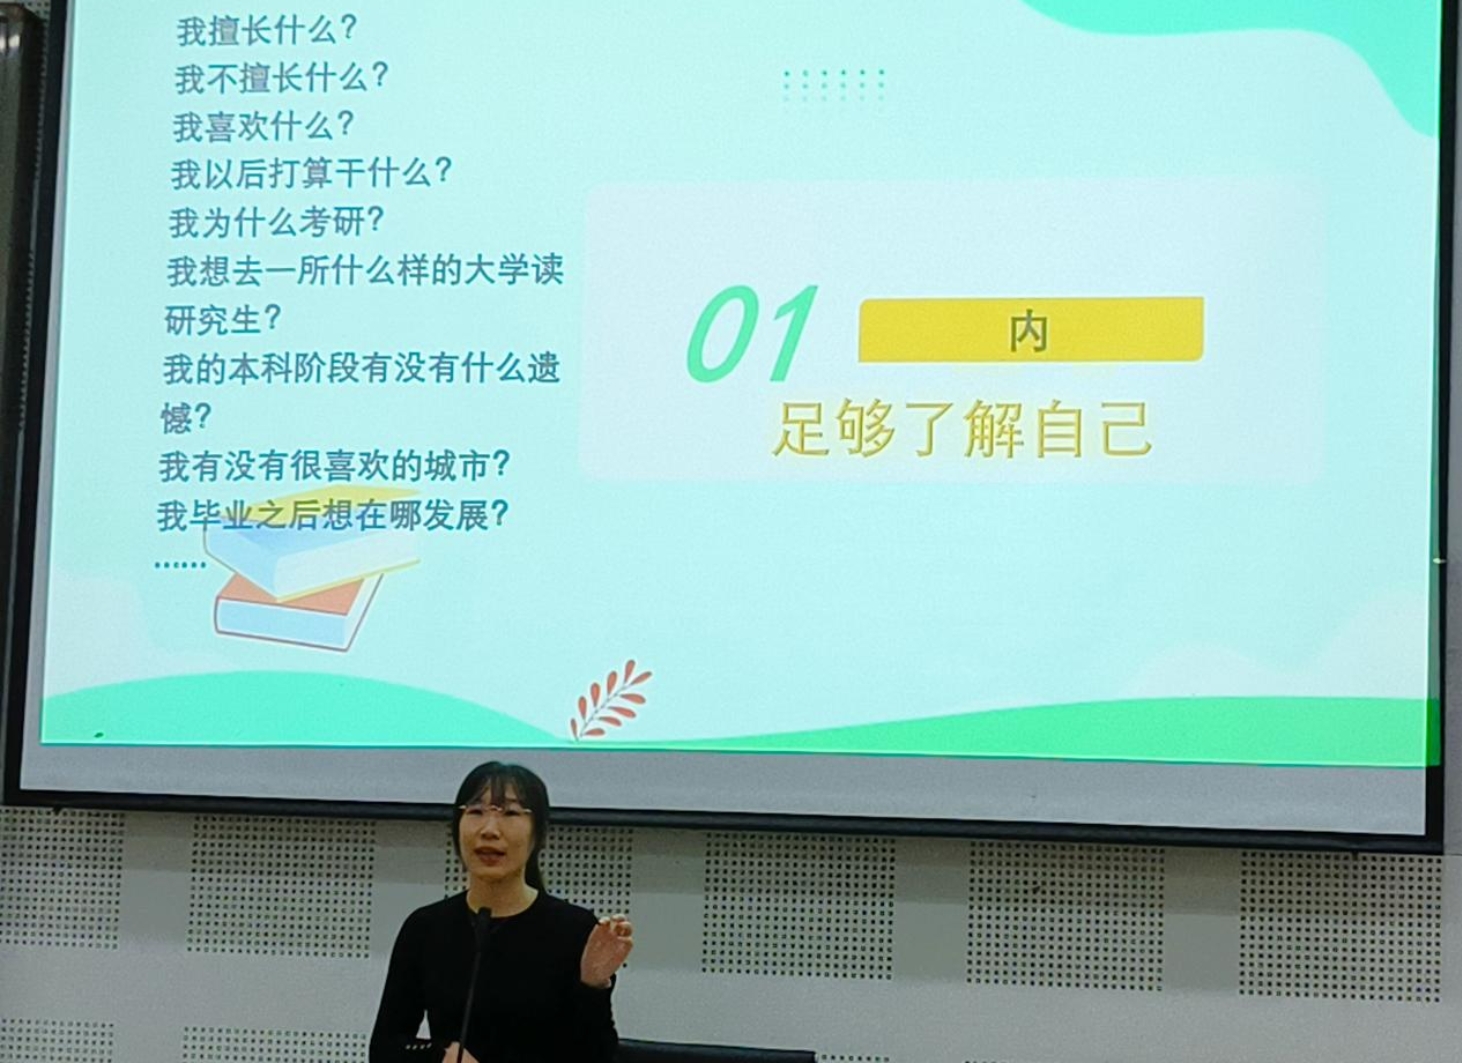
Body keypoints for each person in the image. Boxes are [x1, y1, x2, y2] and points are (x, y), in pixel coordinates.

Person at [370, 761, 633, 1062]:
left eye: (510, 813)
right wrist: (438, 1055)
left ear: (537, 834)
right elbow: (384, 1049)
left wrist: (593, 985)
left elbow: (597, 1057)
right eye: (476, 811)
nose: (489, 830)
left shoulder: (574, 929)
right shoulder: (426, 928)